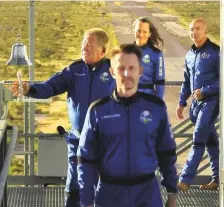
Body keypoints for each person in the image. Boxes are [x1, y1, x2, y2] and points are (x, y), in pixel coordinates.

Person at [11, 28, 115, 207]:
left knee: (104, 188)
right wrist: (29, 90)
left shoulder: (114, 71)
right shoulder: (73, 71)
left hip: (105, 143)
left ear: (103, 51)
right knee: (74, 187)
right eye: (83, 43)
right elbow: (50, 87)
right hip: (78, 140)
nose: (84, 48)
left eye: (89, 45)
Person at [77, 44, 177, 207]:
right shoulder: (98, 111)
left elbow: (167, 153)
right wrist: (87, 201)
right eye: (121, 68)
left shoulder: (156, 108)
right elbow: (86, 159)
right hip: (109, 195)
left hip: (147, 194)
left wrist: (172, 193)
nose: (126, 74)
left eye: (132, 68)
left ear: (140, 71)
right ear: (112, 72)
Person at [176, 19, 219, 191]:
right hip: (195, 105)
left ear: (205, 31)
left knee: (198, 137)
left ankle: (185, 180)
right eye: (191, 29)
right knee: (211, 143)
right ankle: (217, 179)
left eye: (198, 29)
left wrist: (205, 90)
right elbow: (186, 81)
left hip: (211, 102)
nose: (194, 32)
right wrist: (181, 102)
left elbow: (222, 80)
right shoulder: (190, 54)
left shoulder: (216, 52)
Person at [133, 16, 165, 99]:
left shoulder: (156, 54)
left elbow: (160, 82)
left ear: (150, 34)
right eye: (138, 31)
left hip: (147, 98)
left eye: (144, 32)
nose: (141, 35)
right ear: (134, 31)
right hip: (128, 98)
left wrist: (158, 104)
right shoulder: (125, 51)